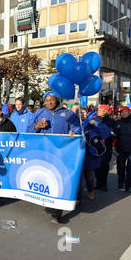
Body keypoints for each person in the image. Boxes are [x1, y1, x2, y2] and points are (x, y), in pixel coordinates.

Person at [27, 91, 82, 224]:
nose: (49, 102)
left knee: (60, 180)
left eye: (51, 100)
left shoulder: (68, 113)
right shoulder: (39, 113)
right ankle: (50, 204)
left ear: (57, 100)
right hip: (45, 153)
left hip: (63, 153)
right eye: (46, 100)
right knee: (48, 179)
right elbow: (28, 130)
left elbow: (79, 128)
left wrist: (74, 132)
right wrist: (37, 126)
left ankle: (57, 213)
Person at [78, 108, 111, 201]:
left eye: (84, 112)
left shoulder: (94, 123)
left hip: (90, 157)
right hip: (77, 156)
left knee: (90, 178)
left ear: (87, 114)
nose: (82, 114)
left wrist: (95, 124)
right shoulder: (75, 124)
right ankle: (78, 198)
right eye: (80, 113)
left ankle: (90, 191)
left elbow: (106, 134)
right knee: (77, 180)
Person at [114, 106, 131, 193]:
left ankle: (127, 186)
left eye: (125, 111)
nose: (123, 113)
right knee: (120, 167)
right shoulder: (117, 122)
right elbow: (114, 134)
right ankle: (120, 183)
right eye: (122, 112)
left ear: (129, 112)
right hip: (121, 149)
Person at [95, 105, 115, 192]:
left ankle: (104, 185)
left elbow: (115, 133)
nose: (98, 111)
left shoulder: (111, 121)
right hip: (96, 146)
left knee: (104, 166)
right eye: (98, 110)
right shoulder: (95, 119)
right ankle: (98, 184)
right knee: (96, 166)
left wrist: (110, 134)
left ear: (105, 111)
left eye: (100, 110)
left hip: (107, 146)